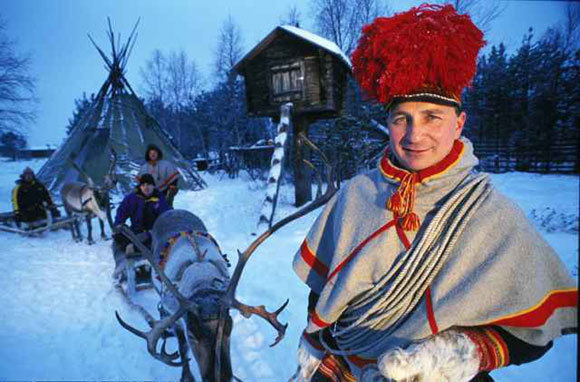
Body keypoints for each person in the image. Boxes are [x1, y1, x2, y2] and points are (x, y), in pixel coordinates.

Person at [292, 4, 577, 382]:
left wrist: (449, 354)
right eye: (401, 119)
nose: (414, 135)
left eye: (432, 117)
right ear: (388, 124)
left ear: (459, 123)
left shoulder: (491, 215)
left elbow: (530, 337)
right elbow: (322, 298)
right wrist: (323, 349)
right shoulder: (355, 196)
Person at [112, 173, 171, 280]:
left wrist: (150, 233)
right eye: (143, 185)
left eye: (149, 184)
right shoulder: (131, 198)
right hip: (135, 231)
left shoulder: (159, 199)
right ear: (140, 186)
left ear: (153, 186)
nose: (146, 187)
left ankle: (155, 266)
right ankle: (121, 266)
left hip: (154, 233)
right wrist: (119, 229)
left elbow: (167, 217)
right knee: (116, 241)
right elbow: (121, 214)